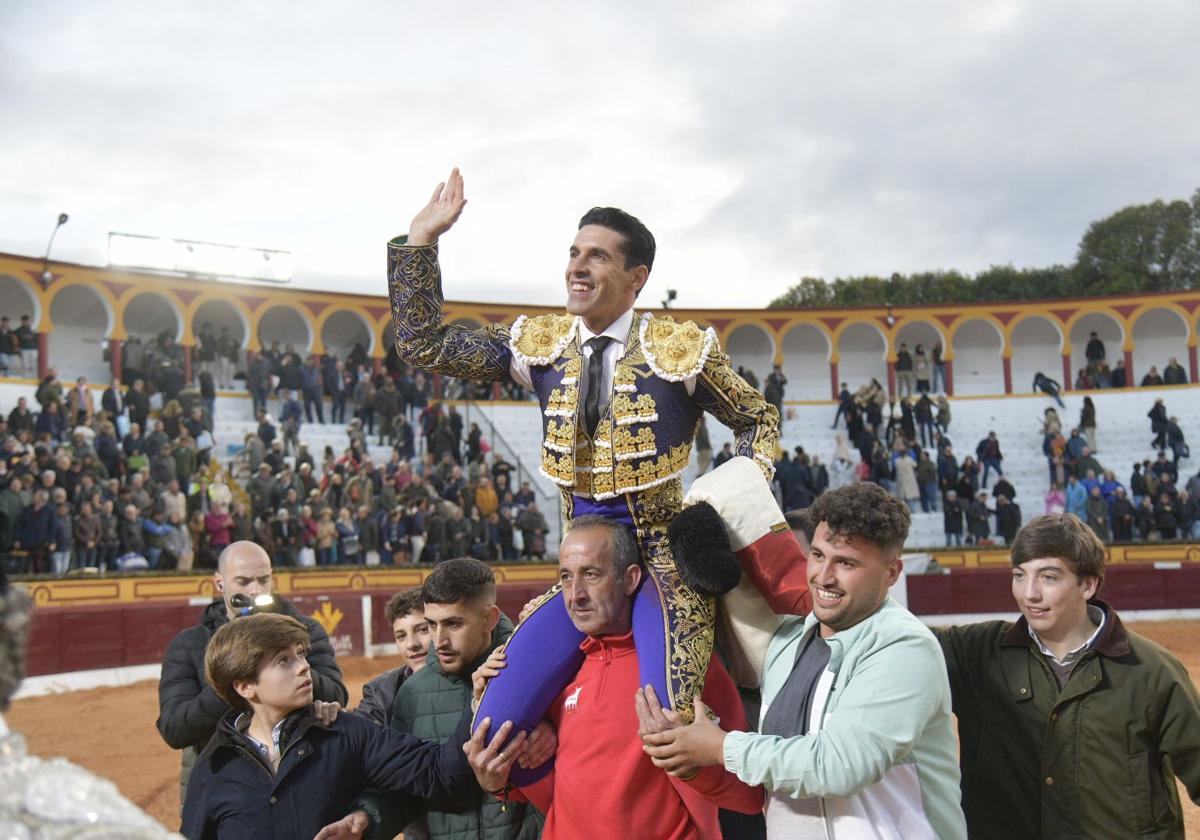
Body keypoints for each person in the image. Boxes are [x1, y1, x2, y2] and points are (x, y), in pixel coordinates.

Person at [388, 168, 779, 720]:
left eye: (597, 256)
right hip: (580, 563)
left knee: (669, 711)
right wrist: (421, 241)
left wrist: (719, 505)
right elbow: (423, 345)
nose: (576, 266)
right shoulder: (540, 345)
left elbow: (757, 420)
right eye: (574, 253)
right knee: (495, 717)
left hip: (663, 555)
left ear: (636, 277)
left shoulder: (682, 349)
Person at [637, 483, 966, 839]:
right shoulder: (787, 641)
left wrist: (720, 746)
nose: (824, 577)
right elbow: (766, 777)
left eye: (846, 563)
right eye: (819, 555)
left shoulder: (905, 649)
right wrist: (686, 747)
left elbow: (838, 767)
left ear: (891, 573)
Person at [465, 515, 766, 840]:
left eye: (591, 575)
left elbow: (748, 797)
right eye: (566, 577)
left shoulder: (683, 668)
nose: (575, 594)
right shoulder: (555, 678)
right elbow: (558, 800)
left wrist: (690, 759)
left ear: (630, 579)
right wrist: (496, 782)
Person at [934, 513, 1200, 837]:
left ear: (1087, 584)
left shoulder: (1151, 671)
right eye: (1019, 575)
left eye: (1048, 577)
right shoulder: (975, 654)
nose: (1029, 593)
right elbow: (896, 645)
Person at [180, 612, 480, 840]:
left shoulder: (346, 732)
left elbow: (439, 773)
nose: (303, 666)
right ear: (245, 686)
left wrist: (479, 703)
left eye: (300, 654)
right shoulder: (212, 768)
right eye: (283, 660)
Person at [353, 558, 544, 839]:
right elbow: (405, 791)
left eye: (453, 624)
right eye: (431, 625)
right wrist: (368, 817)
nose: (439, 640)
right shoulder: (410, 694)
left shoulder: (537, 671)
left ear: (489, 618)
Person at [156, 541, 348, 808]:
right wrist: (235, 672)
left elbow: (337, 695)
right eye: (244, 582)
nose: (255, 590)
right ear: (220, 584)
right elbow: (174, 729)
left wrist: (286, 657)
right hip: (219, 791)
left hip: (299, 784)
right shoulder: (189, 645)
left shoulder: (306, 630)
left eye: (263, 580)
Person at [356, 589, 431, 728]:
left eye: (422, 629)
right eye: (401, 636)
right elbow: (358, 735)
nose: (411, 644)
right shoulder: (380, 693)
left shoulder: (476, 681)